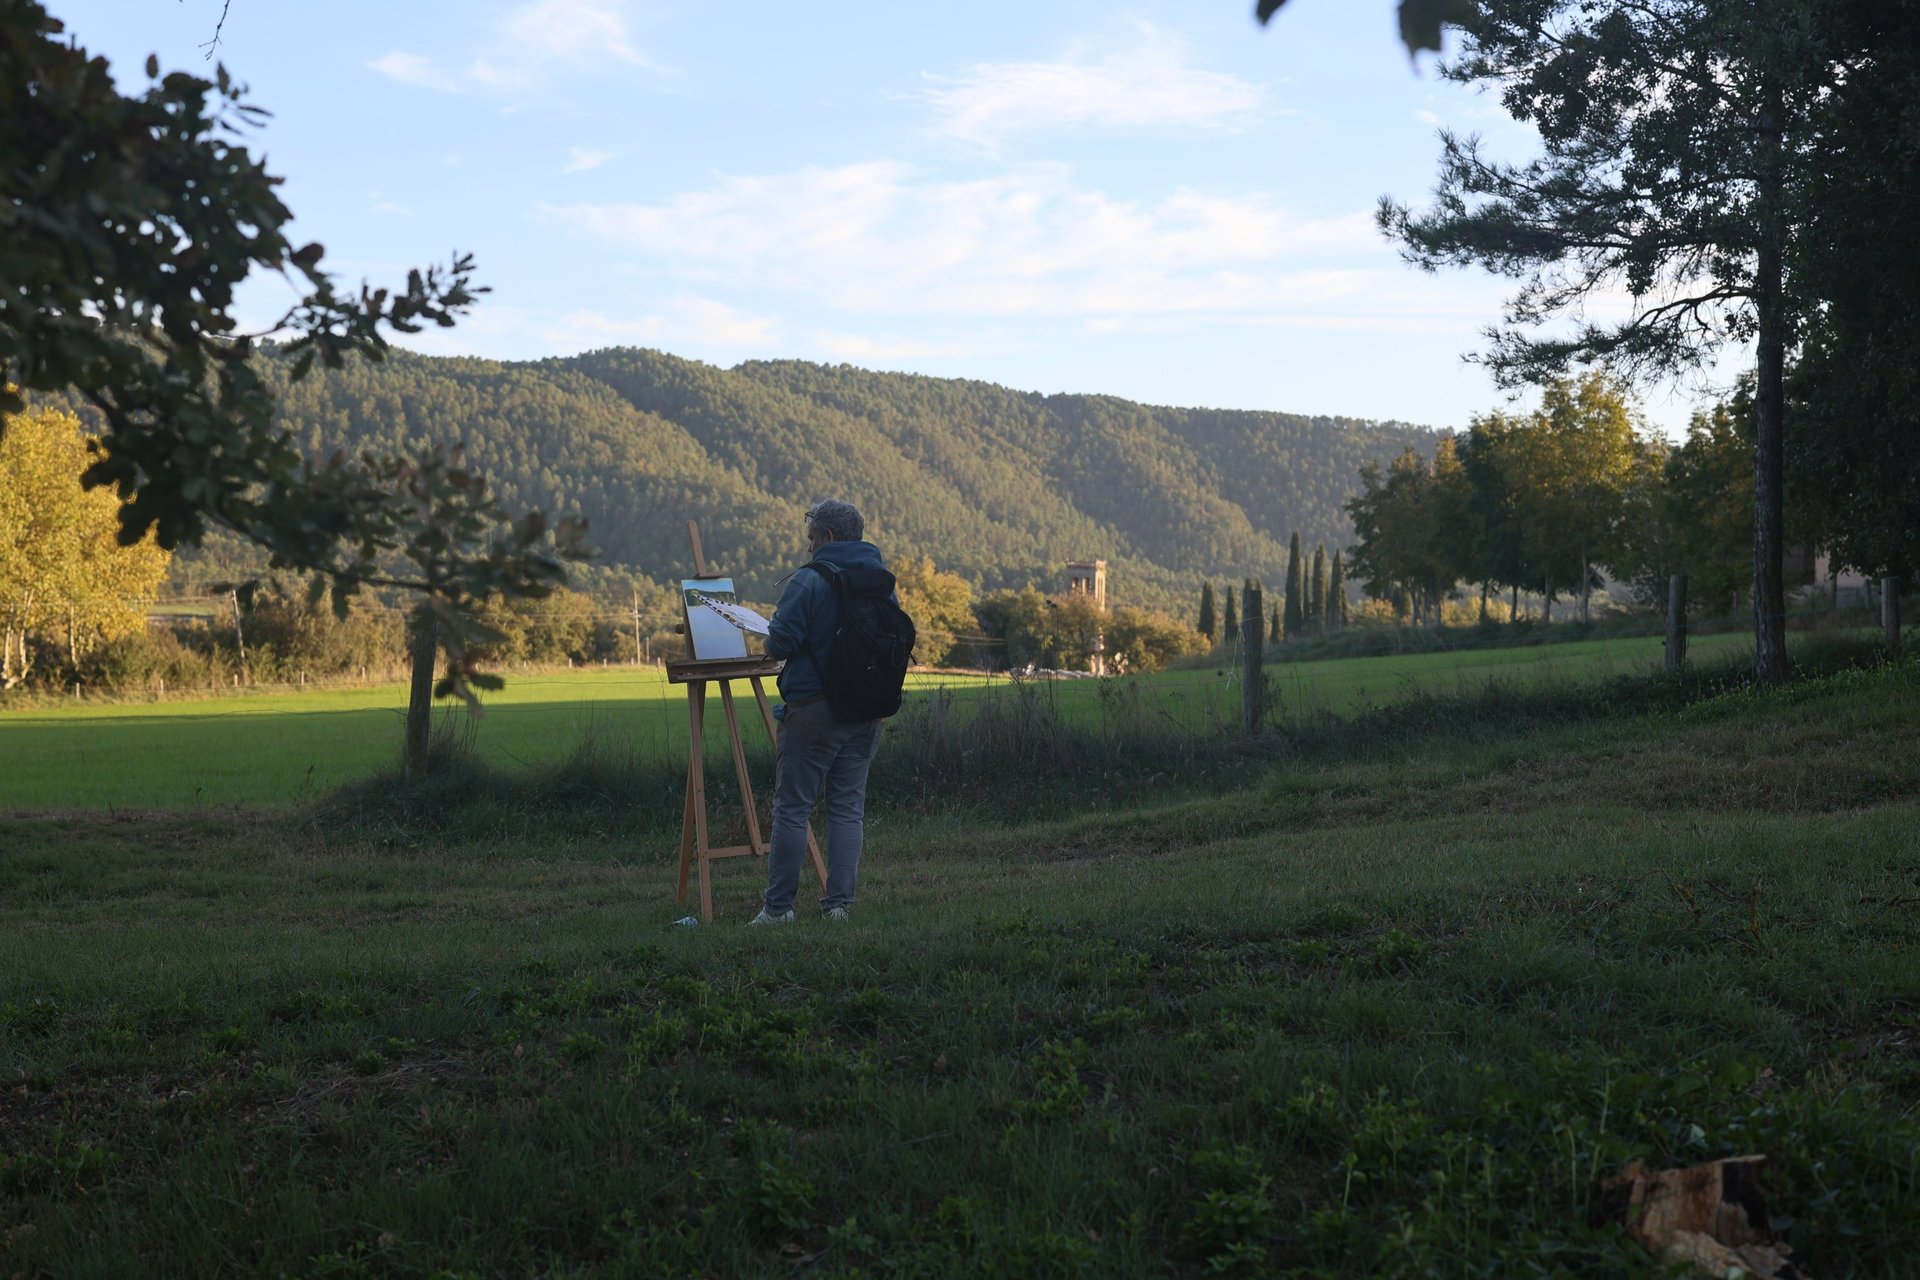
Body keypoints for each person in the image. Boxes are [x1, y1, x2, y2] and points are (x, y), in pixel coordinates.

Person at [748, 499, 888, 924]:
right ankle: (839, 908)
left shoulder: (809, 581)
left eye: (812, 539)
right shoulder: (881, 580)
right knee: (848, 809)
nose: (809, 549)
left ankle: (778, 910)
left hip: (813, 709)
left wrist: (768, 638)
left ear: (827, 537)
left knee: (792, 809)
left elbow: (781, 645)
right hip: (867, 710)